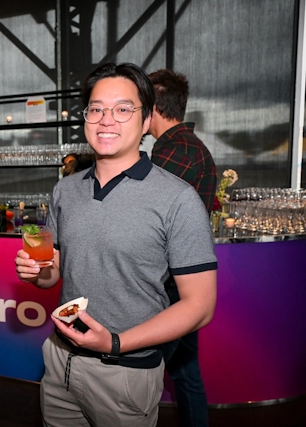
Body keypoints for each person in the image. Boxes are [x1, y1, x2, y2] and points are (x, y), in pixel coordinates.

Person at [15, 63, 217, 427]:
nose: (106, 120)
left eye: (123, 109)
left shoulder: (177, 199)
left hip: (125, 372)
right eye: (96, 109)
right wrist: (37, 272)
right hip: (61, 359)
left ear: (145, 121)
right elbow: (54, 273)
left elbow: (200, 306)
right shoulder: (66, 189)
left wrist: (116, 343)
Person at [148, 69, 217, 427]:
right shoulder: (186, 147)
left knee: (142, 375)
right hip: (182, 281)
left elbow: (142, 212)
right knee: (186, 373)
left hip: (169, 285)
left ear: (154, 107)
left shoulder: (176, 152)